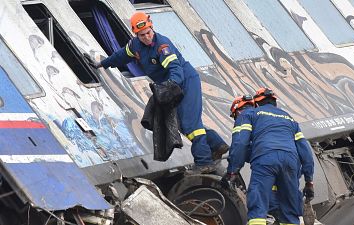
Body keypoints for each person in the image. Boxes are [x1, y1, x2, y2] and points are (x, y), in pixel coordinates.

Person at [88, 12, 222, 173]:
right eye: (142, 35)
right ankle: (216, 145)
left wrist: (170, 84)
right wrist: (102, 64)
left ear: (152, 28)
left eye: (148, 33)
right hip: (169, 86)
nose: (146, 37)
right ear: (136, 34)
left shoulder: (162, 46)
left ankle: (204, 161)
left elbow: (176, 69)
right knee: (184, 124)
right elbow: (121, 56)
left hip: (185, 83)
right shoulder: (135, 46)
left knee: (191, 125)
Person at [222, 87, 314, 225]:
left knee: (258, 208)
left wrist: (233, 171)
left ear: (257, 103)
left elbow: (240, 144)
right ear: (275, 102)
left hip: (265, 159)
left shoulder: (250, 115)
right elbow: (305, 151)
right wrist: (309, 181)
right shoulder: (289, 119)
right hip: (291, 162)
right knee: (289, 214)